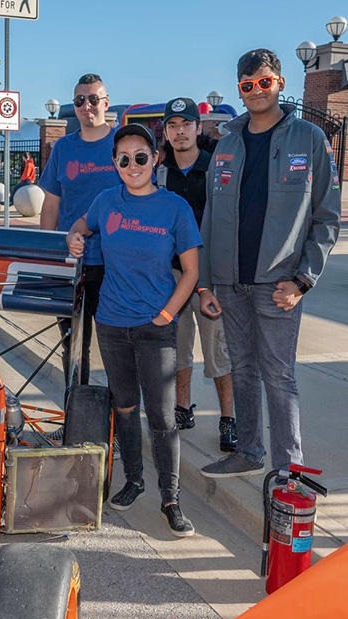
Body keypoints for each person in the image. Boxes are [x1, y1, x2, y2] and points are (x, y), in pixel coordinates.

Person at [198, 49, 341, 479]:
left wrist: (302, 280)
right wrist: (207, 284)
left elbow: (326, 217)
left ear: (278, 83)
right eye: (247, 85)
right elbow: (209, 218)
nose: (256, 91)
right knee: (242, 369)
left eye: (264, 82)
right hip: (230, 283)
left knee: (279, 377)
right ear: (240, 92)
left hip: (279, 285)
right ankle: (248, 451)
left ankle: (288, 469)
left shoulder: (308, 140)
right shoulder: (226, 145)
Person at [66, 123, 202, 538]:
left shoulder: (174, 208)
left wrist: (166, 315)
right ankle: (134, 481)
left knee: (162, 415)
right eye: (123, 159)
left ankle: (171, 498)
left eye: (140, 157)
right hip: (111, 323)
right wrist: (73, 237)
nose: (132, 165)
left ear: (155, 159)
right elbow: (80, 227)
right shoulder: (106, 201)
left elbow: (191, 272)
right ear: (115, 164)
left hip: (155, 327)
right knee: (124, 406)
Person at [157, 97, 236, 453]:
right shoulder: (159, 172)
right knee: (178, 346)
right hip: (172, 274)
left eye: (186, 124)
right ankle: (183, 408)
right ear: (166, 132)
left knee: (218, 350)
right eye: (172, 125)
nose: (180, 131)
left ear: (198, 127)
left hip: (210, 277)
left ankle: (228, 419)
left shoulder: (216, 166)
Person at [40, 73, 121, 386]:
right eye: (79, 100)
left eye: (93, 99)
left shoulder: (120, 144)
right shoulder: (63, 149)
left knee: (115, 344)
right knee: (74, 347)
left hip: (113, 264)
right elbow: (51, 204)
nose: (87, 106)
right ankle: (75, 417)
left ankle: (114, 420)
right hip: (71, 263)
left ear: (105, 103)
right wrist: (46, 255)